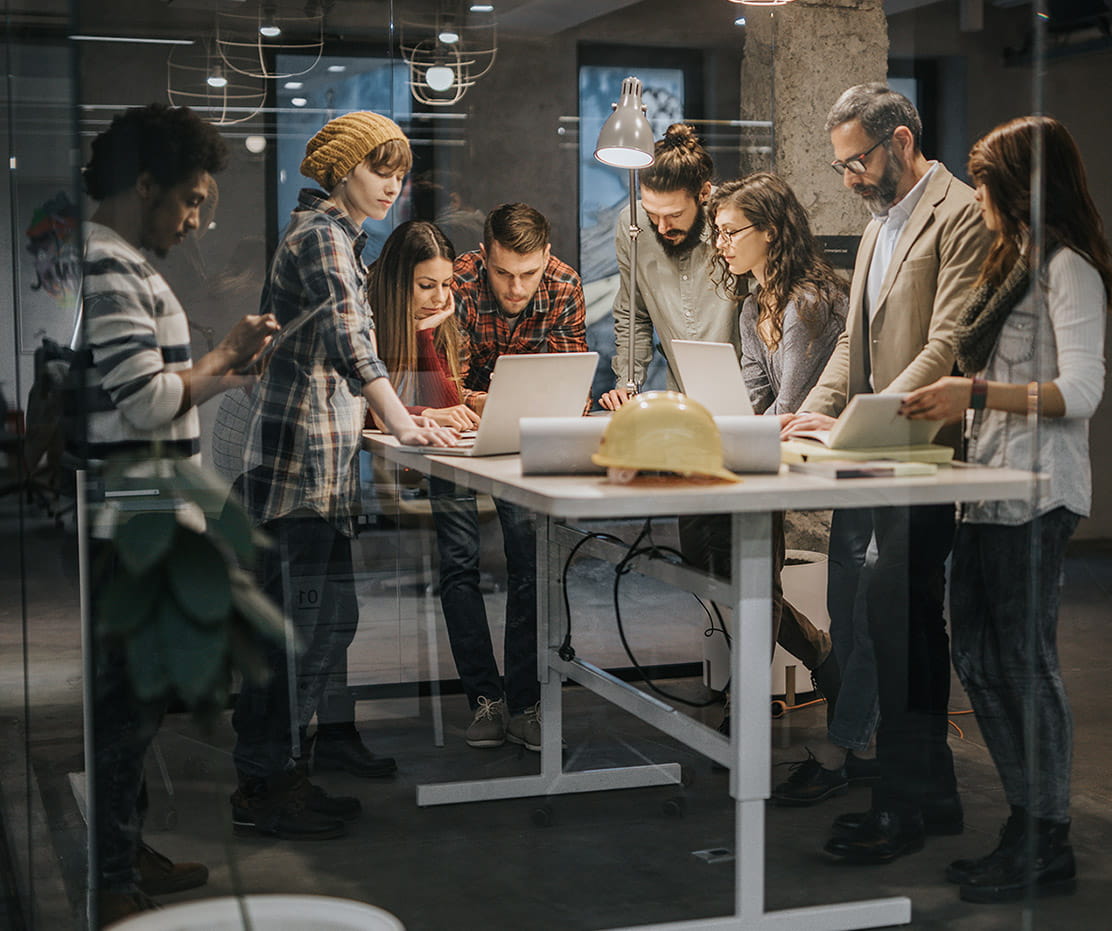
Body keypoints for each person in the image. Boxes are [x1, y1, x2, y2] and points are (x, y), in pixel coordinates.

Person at [900, 115, 1112, 902]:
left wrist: (975, 391)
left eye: (986, 179)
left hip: (1039, 493)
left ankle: (1046, 835)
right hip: (986, 493)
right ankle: (1026, 821)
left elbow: (1084, 392)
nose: (977, 193)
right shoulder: (1009, 263)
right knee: (981, 660)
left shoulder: (1068, 269)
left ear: (1020, 184)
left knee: (1027, 664)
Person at [76, 103, 278, 925]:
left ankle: (121, 851)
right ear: (145, 184)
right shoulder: (111, 264)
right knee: (128, 702)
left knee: (136, 698)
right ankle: (114, 872)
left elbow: (154, 394)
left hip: (140, 507)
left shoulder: (108, 259)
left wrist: (225, 376)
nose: (194, 219)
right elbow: (147, 395)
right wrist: (223, 357)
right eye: (189, 199)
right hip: (136, 514)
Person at [781, 83, 994, 864]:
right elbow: (853, 344)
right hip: (873, 450)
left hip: (927, 448)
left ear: (901, 140)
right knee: (896, 619)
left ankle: (902, 803)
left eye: (857, 161)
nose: (849, 180)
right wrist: (812, 409)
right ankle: (928, 796)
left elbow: (948, 343)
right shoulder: (877, 227)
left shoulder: (963, 212)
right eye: (841, 166)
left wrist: (858, 419)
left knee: (899, 619)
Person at [229, 111, 456, 841]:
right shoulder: (322, 236)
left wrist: (401, 416)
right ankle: (266, 785)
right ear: (340, 171)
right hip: (292, 474)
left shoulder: (342, 241)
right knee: (293, 634)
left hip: (314, 472)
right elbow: (350, 345)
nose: (391, 185)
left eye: (397, 172)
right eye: (377, 170)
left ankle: (285, 772)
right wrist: (399, 419)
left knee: (323, 623)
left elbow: (328, 370)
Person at [706, 171, 856, 803]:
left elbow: (790, 405)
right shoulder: (750, 306)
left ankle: (749, 710)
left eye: (730, 231)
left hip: (826, 471)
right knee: (731, 568)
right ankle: (813, 656)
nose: (720, 244)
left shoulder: (807, 302)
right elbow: (754, 400)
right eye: (717, 233)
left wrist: (737, 428)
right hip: (779, 459)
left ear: (769, 232)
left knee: (751, 575)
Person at [447, 202, 588, 751]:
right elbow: (441, 386)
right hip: (455, 438)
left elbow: (569, 385)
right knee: (457, 562)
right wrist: (483, 401)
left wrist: (494, 402)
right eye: (503, 273)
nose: (515, 287)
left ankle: (527, 700)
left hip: (523, 437)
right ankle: (485, 699)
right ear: (484, 257)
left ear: (546, 257)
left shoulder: (564, 285)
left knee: (530, 562)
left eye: (528, 274)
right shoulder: (456, 282)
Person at [597, 123, 735, 411]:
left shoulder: (735, 222)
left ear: (704, 193)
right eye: (652, 214)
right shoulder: (632, 225)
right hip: (682, 397)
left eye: (674, 214)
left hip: (748, 394)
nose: (662, 227)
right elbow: (633, 314)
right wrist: (627, 383)